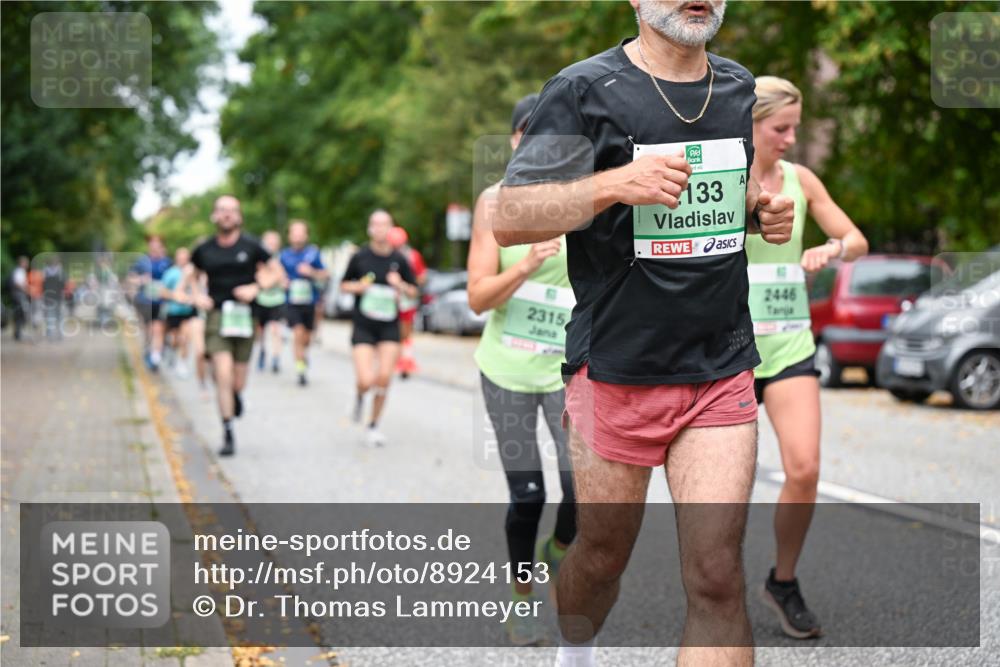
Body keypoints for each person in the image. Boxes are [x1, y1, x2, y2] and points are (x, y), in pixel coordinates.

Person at [493, 2, 795, 665]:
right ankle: (574, 649)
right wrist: (613, 185)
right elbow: (512, 216)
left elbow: (713, 195)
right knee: (599, 558)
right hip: (615, 370)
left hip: (719, 368)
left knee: (716, 574)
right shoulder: (580, 90)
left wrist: (758, 213)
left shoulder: (738, 86)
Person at [745, 76, 868, 639]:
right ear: (752, 124)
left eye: (795, 126)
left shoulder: (800, 179)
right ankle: (713, 582)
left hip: (790, 343)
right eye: (781, 127)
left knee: (805, 468)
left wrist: (830, 247)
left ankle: (783, 581)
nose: (792, 138)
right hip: (728, 351)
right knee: (726, 484)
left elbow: (856, 239)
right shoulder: (726, 178)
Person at [468, 93, 577, 646]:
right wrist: (528, 264)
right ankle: (522, 596)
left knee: (582, 490)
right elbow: (477, 297)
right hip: (506, 369)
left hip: (567, 372)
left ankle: (557, 553)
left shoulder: (582, 198)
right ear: (514, 141)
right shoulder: (494, 204)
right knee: (529, 494)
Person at [186, 195, 282, 456]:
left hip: (245, 318)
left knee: (237, 382)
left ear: (239, 217)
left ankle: (235, 396)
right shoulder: (204, 249)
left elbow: (277, 273)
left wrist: (256, 287)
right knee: (223, 373)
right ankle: (227, 431)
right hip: (217, 317)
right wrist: (196, 295)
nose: (227, 215)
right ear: (214, 216)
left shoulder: (252, 245)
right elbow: (191, 276)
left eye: (232, 211)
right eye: (222, 210)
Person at [340, 210, 419, 447]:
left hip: (389, 327)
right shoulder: (360, 257)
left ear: (391, 228)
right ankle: (359, 396)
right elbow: (344, 284)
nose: (379, 229)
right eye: (375, 224)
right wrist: (358, 288)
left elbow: (415, 292)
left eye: (384, 225)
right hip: (363, 325)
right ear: (369, 229)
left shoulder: (400, 259)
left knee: (384, 377)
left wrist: (401, 285)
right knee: (366, 380)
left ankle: (373, 425)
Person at [280, 220, 328, 386]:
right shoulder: (283, 255)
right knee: (298, 333)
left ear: (306, 235)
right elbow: (276, 274)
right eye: (295, 232)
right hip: (292, 301)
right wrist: (282, 281)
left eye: (301, 233)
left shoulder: (313, 253)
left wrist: (312, 272)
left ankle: (303, 355)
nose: (298, 236)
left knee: (307, 337)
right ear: (289, 235)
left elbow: (325, 274)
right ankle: (300, 368)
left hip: (310, 301)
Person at [387, 225, 427, 378]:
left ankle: (404, 361)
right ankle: (401, 360)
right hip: (394, 299)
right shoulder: (410, 255)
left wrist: (407, 285)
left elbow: (422, 277)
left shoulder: (410, 256)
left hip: (404, 298)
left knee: (403, 331)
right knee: (401, 332)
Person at [131, 235, 172, 372]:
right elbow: (131, 278)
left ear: (162, 245)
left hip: (162, 302)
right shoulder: (141, 262)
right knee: (149, 330)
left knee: (158, 329)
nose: (154, 246)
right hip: (145, 302)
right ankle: (149, 350)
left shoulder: (167, 262)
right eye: (152, 244)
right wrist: (141, 279)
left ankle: (155, 359)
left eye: (157, 243)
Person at [254, 230, 288, 374]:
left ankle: (275, 356)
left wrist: (275, 278)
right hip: (261, 300)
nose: (271, 246)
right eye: (268, 243)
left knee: (276, 329)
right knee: (261, 331)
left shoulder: (281, 259)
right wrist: (274, 277)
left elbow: (285, 282)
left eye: (274, 243)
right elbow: (259, 280)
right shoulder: (257, 260)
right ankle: (262, 351)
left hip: (277, 300)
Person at [162, 247, 197, 378]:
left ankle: (182, 363)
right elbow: (163, 292)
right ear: (177, 258)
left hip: (189, 311)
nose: (183, 259)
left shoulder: (192, 272)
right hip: (174, 311)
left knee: (185, 338)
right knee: (176, 339)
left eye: (185, 257)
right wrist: (175, 296)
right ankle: (172, 352)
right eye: (181, 256)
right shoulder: (170, 273)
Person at [42, 255, 65, 341]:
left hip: (52, 297)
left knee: (53, 315)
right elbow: (63, 284)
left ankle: (53, 334)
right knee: (54, 316)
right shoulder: (60, 272)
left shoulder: (46, 272)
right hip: (53, 297)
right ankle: (54, 334)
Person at [10, 256, 31, 341]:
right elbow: (18, 284)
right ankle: (18, 333)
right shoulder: (19, 271)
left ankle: (18, 333)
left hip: (18, 295)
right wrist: (26, 289)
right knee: (21, 313)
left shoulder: (20, 271)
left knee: (20, 313)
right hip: (18, 295)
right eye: (26, 263)